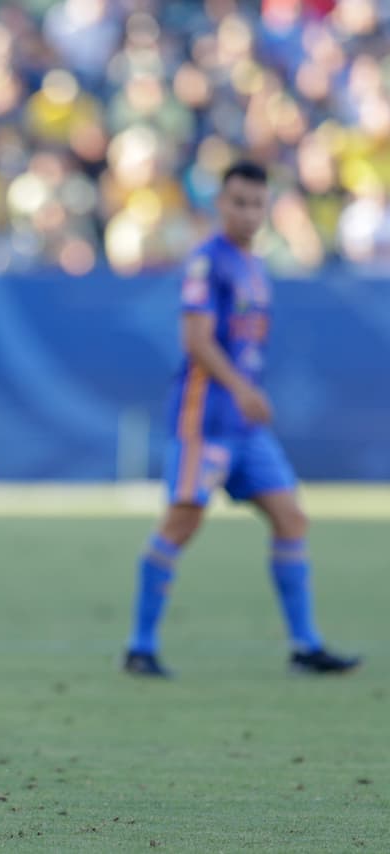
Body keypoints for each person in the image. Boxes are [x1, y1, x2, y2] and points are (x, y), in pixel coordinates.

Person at [123, 161, 361, 678]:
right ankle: (140, 646)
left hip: (246, 426)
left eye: (257, 204)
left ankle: (305, 646)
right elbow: (196, 341)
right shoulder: (207, 262)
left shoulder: (255, 265)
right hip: (204, 419)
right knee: (182, 522)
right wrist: (241, 389)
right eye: (239, 203)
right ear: (220, 204)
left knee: (290, 517)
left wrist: (247, 393)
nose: (249, 213)